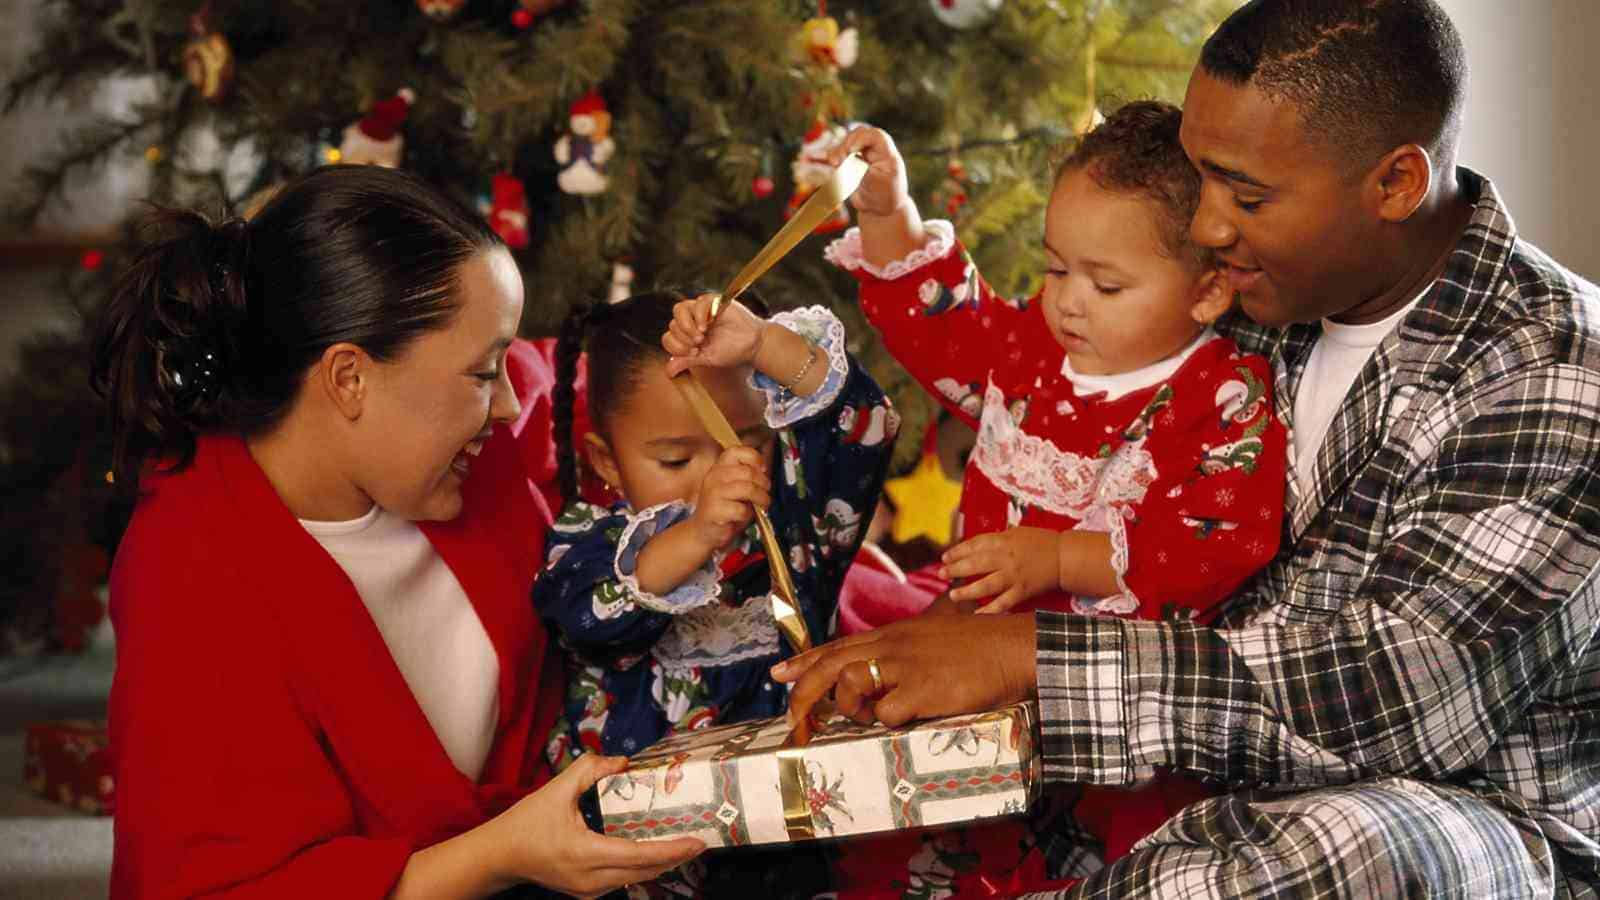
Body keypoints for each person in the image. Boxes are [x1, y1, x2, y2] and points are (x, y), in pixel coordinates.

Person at [779, 1, 1600, 897]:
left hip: (1451, 813)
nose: (1205, 228)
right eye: (1199, 179)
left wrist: (1027, 655)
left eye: (1245, 195)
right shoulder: (1247, 293)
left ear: (1396, 184)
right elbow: (1003, 361)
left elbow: (1396, 698)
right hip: (1179, 774)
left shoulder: (1556, 369)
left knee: (1350, 846)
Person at [93, 165, 701, 898]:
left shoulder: (469, 454)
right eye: (482, 373)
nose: (510, 402)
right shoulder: (190, 573)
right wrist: (502, 854)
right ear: (349, 378)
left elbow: (596, 400)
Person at [819, 100, 1288, 873]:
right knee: (924, 840)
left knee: (1067, 862)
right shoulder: (1035, 346)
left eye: (1105, 286)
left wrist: (1063, 560)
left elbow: (1212, 548)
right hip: (964, 668)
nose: (1068, 300)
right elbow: (949, 326)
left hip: (1096, 716)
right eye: (1056, 268)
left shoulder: (1220, 397)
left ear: (1207, 292)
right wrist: (890, 213)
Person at [533, 291, 893, 896]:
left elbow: (865, 429)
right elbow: (586, 618)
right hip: (635, 858)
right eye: (676, 459)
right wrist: (697, 534)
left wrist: (762, 345)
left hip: (790, 845)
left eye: (743, 444)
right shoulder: (589, 545)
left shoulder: (798, 531)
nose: (718, 476)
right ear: (608, 461)